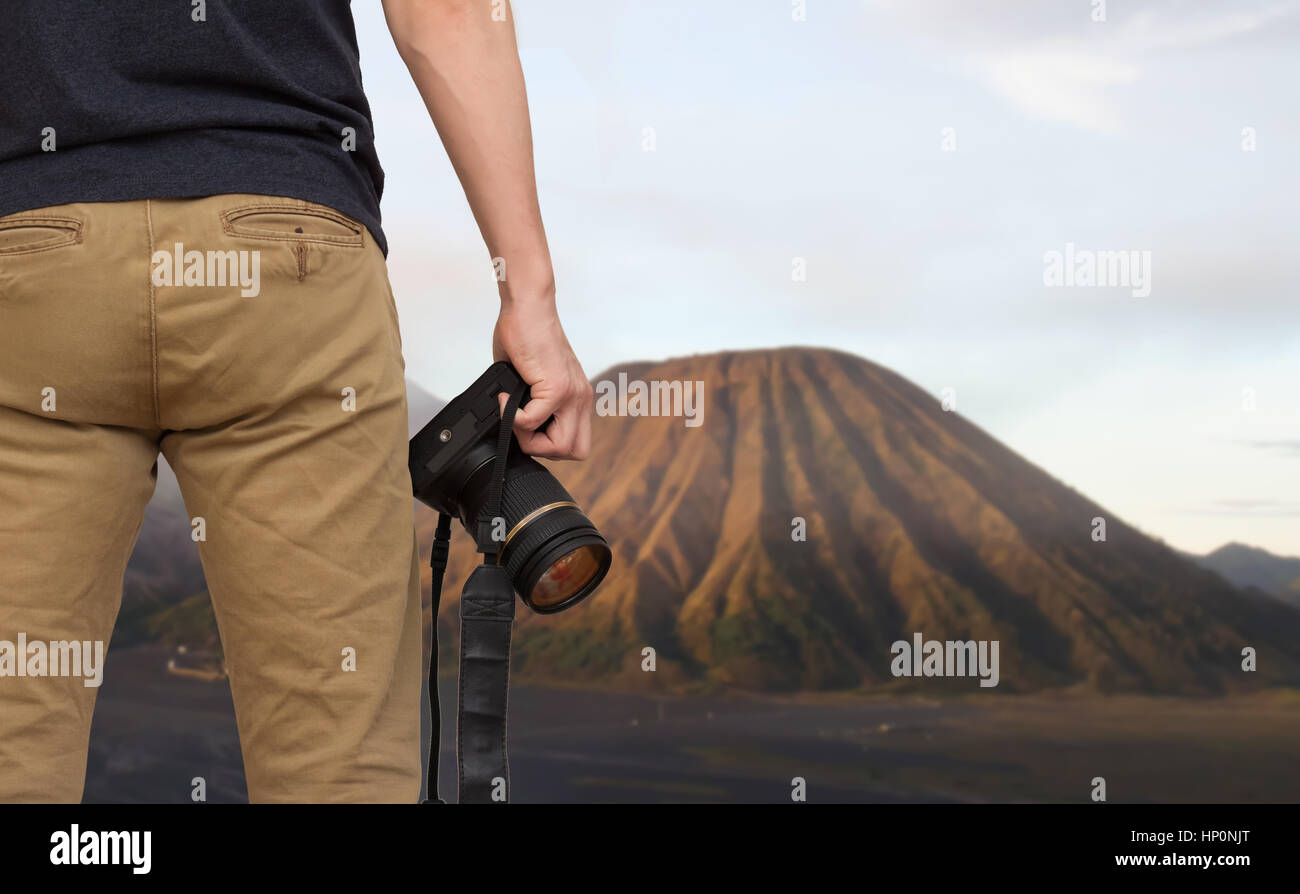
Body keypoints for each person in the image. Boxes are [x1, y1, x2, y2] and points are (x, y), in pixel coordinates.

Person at [0, 0, 592, 803]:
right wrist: (528, 293)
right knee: (340, 769)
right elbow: (446, 9)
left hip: (30, 256)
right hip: (287, 251)